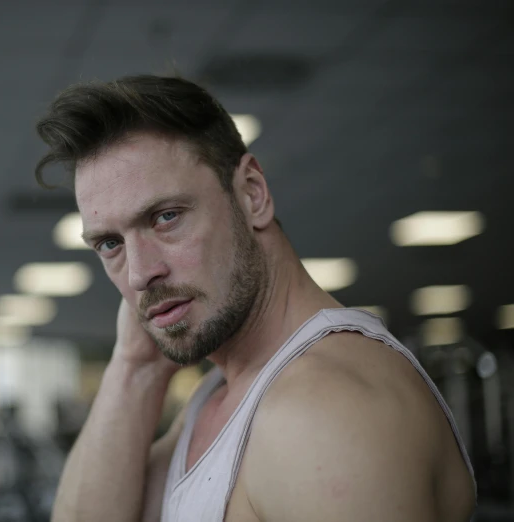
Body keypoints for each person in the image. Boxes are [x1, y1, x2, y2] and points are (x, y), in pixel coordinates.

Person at [34, 75, 477, 522]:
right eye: (111, 244)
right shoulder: (219, 395)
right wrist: (135, 366)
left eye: (166, 217)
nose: (139, 273)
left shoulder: (323, 413)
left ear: (252, 193)